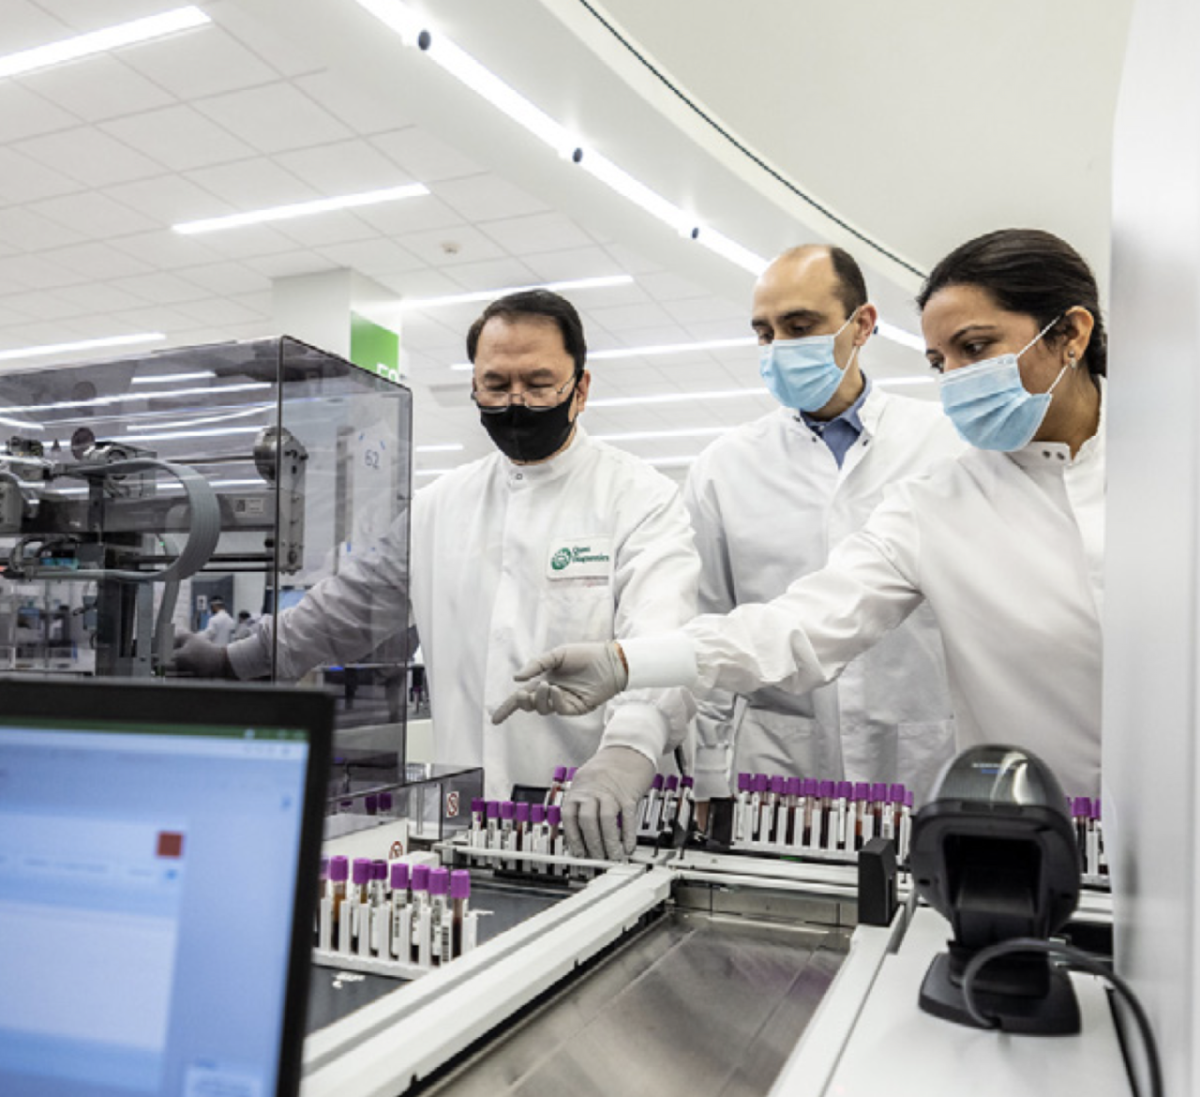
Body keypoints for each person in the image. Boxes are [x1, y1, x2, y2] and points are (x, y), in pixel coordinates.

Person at [494, 229, 1105, 800]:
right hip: (1013, 815)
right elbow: (799, 626)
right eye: (940, 362)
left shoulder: (1171, 475)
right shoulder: (936, 498)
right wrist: (629, 661)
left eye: (976, 349)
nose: (956, 381)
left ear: (1071, 334)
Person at [176, 289, 700, 859]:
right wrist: (238, 661)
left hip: (601, 818)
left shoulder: (640, 497)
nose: (517, 401)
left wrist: (627, 751)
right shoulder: (440, 504)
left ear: (581, 387)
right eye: (496, 385)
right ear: (474, 387)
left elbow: (661, 643)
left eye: (540, 382)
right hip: (466, 823)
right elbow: (351, 606)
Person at [685, 244, 964, 805]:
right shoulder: (724, 467)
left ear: (861, 325)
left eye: (800, 326)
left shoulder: (947, 444)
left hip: (923, 751)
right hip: (782, 762)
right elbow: (708, 625)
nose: (779, 347)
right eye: (765, 333)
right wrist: (708, 775)